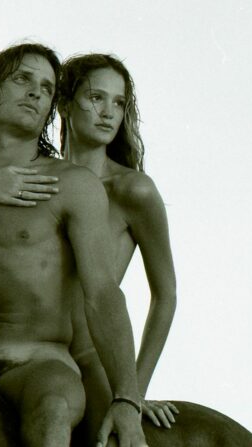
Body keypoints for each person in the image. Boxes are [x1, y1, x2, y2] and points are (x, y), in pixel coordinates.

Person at [0, 43, 147, 447]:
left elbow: (103, 295)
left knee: (52, 406)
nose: (37, 92)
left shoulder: (73, 186)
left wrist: (128, 397)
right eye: (23, 79)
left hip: (41, 367)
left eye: (47, 87)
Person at [58, 53, 178, 444]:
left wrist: (132, 393)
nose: (109, 112)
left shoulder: (133, 191)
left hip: (93, 361)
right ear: (64, 104)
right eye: (97, 98)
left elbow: (165, 296)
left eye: (119, 102)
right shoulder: (42, 181)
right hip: (34, 352)